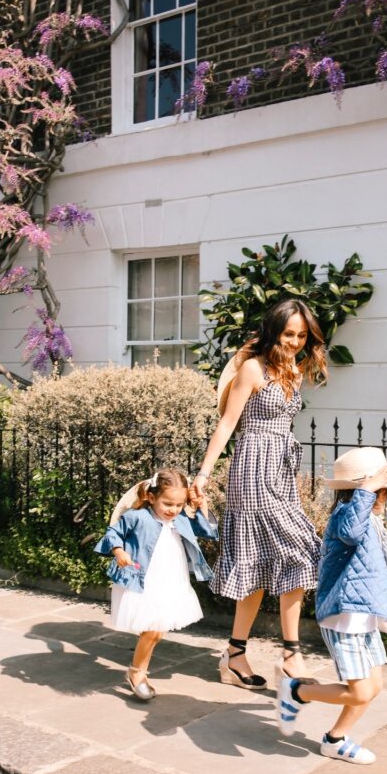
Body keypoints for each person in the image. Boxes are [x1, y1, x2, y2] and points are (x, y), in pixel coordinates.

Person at [191, 298, 327, 690]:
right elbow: (228, 423)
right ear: (274, 330)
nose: (296, 341)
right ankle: (291, 653)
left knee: (270, 563)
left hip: (280, 471)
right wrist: (203, 474)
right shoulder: (252, 369)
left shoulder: (294, 373)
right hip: (251, 470)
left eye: (303, 335)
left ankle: (235, 654)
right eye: (289, 333)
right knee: (294, 549)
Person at [275, 447, 387, 764]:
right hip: (343, 616)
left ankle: (335, 739)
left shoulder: (368, 519)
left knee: (373, 687)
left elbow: (372, 559)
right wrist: (366, 490)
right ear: (368, 491)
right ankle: (295, 691)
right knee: (359, 691)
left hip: (364, 616)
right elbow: (351, 534)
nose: (383, 499)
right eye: (382, 492)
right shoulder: (346, 516)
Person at [94, 467, 218, 701]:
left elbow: (207, 532)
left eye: (179, 505)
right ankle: (137, 673)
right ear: (152, 497)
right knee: (152, 630)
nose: (173, 510)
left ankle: (137, 671)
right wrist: (119, 551)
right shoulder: (138, 516)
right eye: (168, 504)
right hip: (145, 579)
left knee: (156, 632)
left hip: (170, 579)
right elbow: (113, 533)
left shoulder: (180, 519)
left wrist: (201, 506)